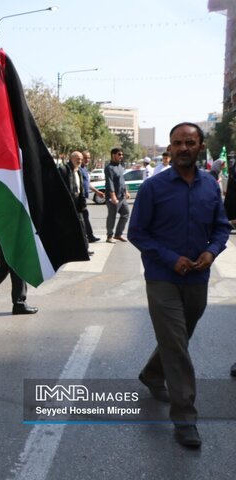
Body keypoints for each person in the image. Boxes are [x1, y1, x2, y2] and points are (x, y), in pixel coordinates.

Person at [128, 122, 230, 448]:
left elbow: (221, 228)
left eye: (190, 142)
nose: (183, 148)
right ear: (168, 148)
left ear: (200, 146)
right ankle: (185, 418)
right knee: (176, 345)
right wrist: (171, 258)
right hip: (162, 277)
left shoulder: (211, 187)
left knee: (179, 338)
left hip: (198, 277)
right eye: (177, 143)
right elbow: (137, 233)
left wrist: (212, 252)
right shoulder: (153, 188)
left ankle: (152, 374)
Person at [58, 151, 92, 255]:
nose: (80, 161)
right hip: (67, 204)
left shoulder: (79, 171)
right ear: (71, 158)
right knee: (67, 227)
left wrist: (83, 203)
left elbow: (81, 188)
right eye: (78, 158)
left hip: (78, 203)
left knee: (81, 225)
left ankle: (84, 249)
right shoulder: (63, 170)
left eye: (81, 159)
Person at [104, 147, 131, 243]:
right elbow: (109, 183)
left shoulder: (120, 166)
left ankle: (118, 234)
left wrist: (126, 191)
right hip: (113, 197)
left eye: (122, 154)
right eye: (119, 154)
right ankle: (109, 236)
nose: (121, 156)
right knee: (112, 216)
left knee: (126, 214)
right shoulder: (109, 168)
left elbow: (122, 181)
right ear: (113, 155)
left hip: (122, 197)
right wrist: (113, 196)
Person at [80, 150, 104, 242]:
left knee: (85, 218)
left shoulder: (85, 169)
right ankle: (88, 238)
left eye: (88, 158)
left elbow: (87, 184)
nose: (87, 159)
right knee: (83, 218)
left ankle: (89, 237)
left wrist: (97, 191)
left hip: (83, 198)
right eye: (85, 158)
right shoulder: (78, 169)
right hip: (79, 199)